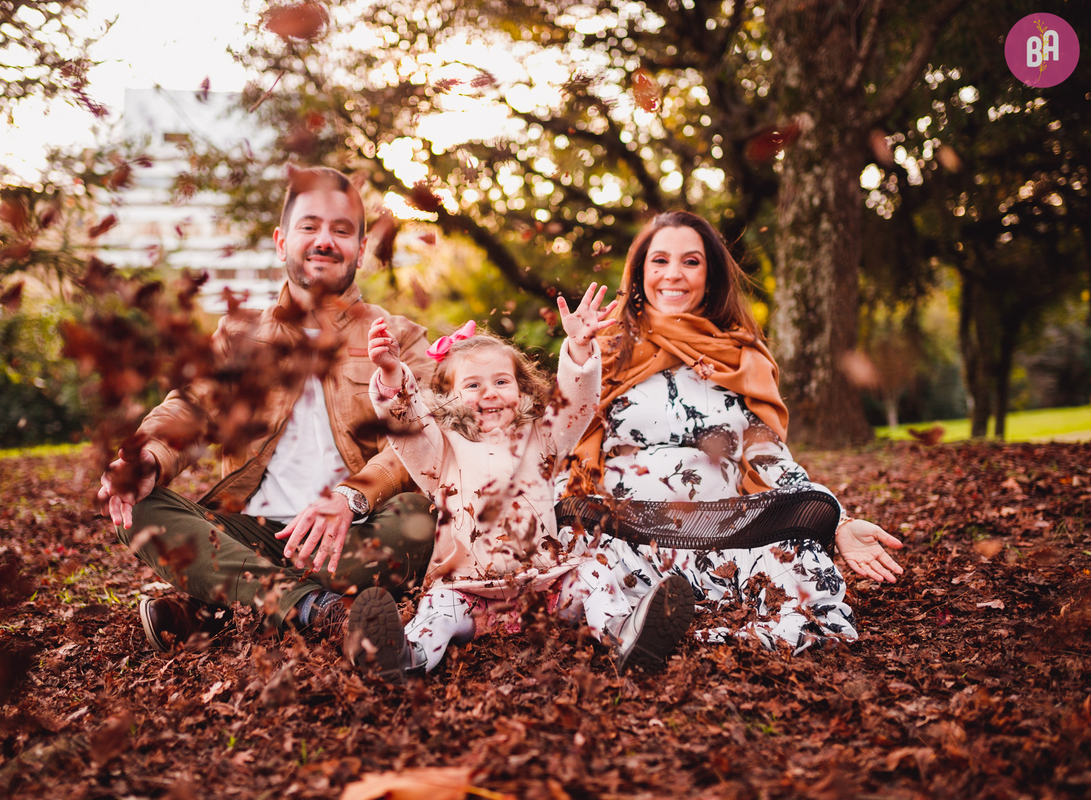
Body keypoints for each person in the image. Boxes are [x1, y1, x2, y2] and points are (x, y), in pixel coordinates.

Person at [98, 166, 438, 653]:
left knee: (419, 518)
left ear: (361, 249)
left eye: (342, 231)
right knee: (140, 506)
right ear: (282, 241)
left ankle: (225, 600)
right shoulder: (239, 335)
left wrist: (352, 497)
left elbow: (423, 438)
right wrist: (149, 458)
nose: (325, 241)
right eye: (309, 226)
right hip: (253, 533)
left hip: (356, 535)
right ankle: (312, 606)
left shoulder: (401, 336)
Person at [556, 210, 905, 654]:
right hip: (625, 540)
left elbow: (769, 458)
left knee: (806, 547)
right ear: (639, 273)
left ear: (711, 275)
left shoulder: (741, 357)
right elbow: (563, 436)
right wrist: (578, 354)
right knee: (579, 574)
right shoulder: (603, 352)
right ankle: (637, 628)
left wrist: (838, 521)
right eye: (660, 260)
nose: (673, 274)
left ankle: (707, 639)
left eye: (691, 261)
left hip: (724, 540)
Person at [345, 284, 697, 681]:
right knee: (438, 612)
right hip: (470, 592)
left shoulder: (542, 437)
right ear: (448, 396)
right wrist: (392, 374)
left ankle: (624, 634)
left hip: (545, 589)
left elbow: (576, 406)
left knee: (595, 573)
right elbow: (406, 423)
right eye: (473, 385)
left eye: (501, 382)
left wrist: (580, 348)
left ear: (521, 387)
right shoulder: (439, 448)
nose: (489, 393)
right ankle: (405, 656)